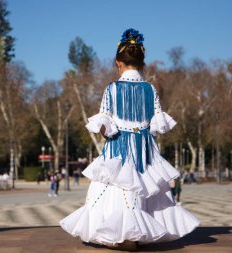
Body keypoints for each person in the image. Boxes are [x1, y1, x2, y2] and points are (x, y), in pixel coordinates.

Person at [59, 28, 200, 250]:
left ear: (118, 62)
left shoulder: (112, 89)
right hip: (144, 148)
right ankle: (138, 231)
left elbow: (105, 124)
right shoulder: (150, 89)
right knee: (144, 188)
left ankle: (119, 233)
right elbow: (155, 126)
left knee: (113, 188)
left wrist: (110, 131)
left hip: (119, 148)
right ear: (142, 62)